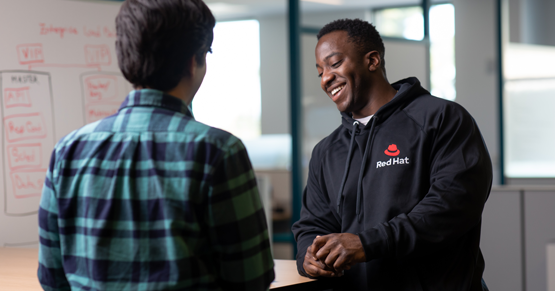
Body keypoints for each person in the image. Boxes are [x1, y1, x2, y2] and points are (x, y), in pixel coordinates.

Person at [37, 0, 274, 290]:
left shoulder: (67, 152)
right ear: (193, 61)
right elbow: (251, 279)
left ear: (126, 58)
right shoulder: (218, 151)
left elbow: (52, 277)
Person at [291, 18, 492, 290]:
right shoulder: (327, 151)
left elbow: (453, 205)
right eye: (320, 72)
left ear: (372, 60)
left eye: (335, 64)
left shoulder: (441, 118)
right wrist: (308, 256)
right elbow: (313, 223)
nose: (326, 78)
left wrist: (367, 243)